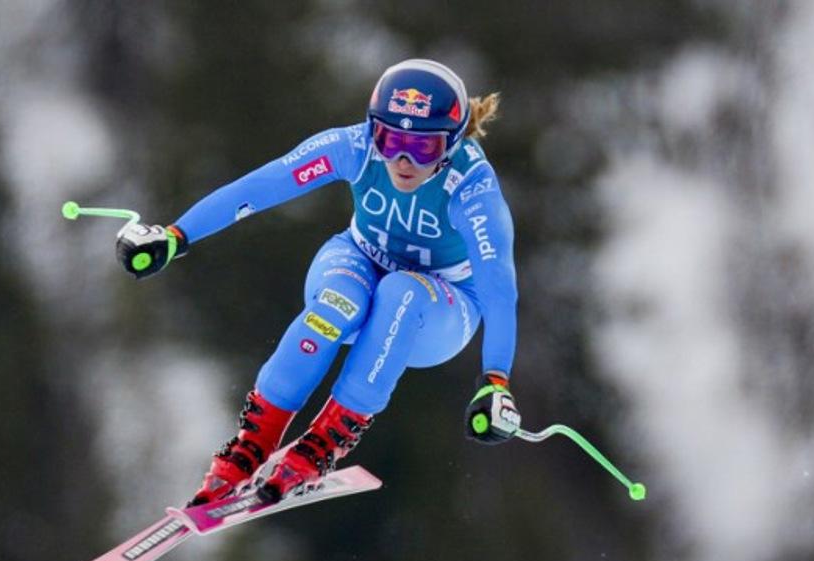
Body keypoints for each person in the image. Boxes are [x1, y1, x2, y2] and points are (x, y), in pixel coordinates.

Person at [115, 58, 522, 507]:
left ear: (450, 144)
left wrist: (495, 381)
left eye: (422, 149)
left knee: (400, 293)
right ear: (374, 130)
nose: (402, 161)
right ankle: (253, 443)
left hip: (442, 307)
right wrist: (176, 235)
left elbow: (498, 288)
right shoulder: (356, 146)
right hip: (359, 258)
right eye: (390, 141)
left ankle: (327, 439)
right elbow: (265, 185)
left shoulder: (472, 189)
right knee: (336, 304)